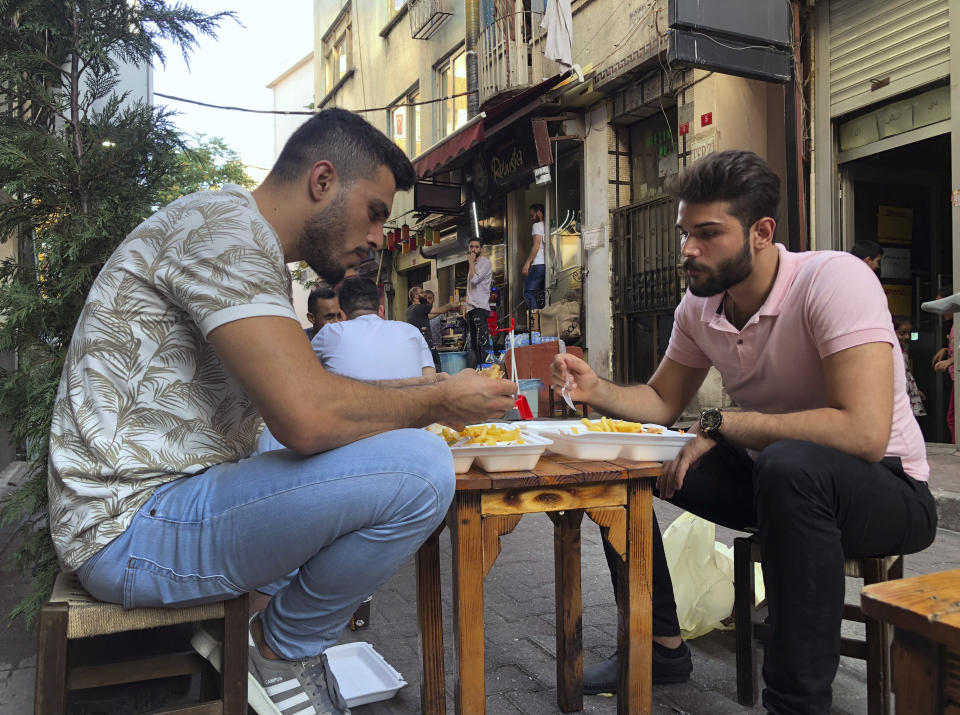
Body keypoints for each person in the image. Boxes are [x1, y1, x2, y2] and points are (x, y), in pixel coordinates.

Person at [48, 107, 518, 715]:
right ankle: (281, 651)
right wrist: (436, 399)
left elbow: (313, 397)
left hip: (156, 506)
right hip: (127, 529)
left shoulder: (236, 232)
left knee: (318, 442)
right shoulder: (227, 232)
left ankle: (268, 632)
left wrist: (441, 395)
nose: (379, 236)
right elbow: (309, 417)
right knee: (423, 470)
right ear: (322, 181)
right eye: (375, 212)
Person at [552, 150, 936, 714]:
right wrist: (597, 390)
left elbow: (865, 433)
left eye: (707, 234)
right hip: (778, 483)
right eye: (685, 233)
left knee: (789, 467)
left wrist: (724, 424)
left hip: (888, 490)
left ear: (761, 232)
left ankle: (795, 705)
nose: (688, 249)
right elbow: (660, 401)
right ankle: (660, 646)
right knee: (629, 459)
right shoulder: (698, 308)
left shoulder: (833, 280)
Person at [314, 276, 436, 380]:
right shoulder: (411, 331)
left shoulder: (330, 333)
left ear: (342, 314)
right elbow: (429, 377)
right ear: (381, 310)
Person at [923, 288, 956, 440]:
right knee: (952, 417)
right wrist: (946, 349)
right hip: (955, 378)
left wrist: (950, 360)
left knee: (953, 418)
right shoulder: (954, 325)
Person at [405, 286, 458, 372]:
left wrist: (439, 312)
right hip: (426, 347)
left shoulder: (410, 310)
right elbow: (441, 310)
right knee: (436, 372)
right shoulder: (420, 307)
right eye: (422, 293)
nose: (424, 295)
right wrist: (451, 304)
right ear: (416, 296)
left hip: (417, 348)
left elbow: (429, 316)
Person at [463, 238, 493, 367]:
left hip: (480, 306)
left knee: (482, 339)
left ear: (481, 249)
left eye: (476, 247)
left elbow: (474, 281)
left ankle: (485, 367)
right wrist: (465, 306)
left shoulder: (485, 263)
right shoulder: (473, 264)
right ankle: (476, 369)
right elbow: (469, 287)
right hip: (471, 306)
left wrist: (470, 263)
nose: (473, 249)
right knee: (473, 342)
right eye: (471, 247)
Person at [893, 315, 926, 417]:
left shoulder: (904, 349)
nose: (907, 337)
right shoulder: (890, 352)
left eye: (909, 333)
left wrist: (914, 390)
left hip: (907, 391)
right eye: (902, 333)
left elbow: (906, 373)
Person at [522, 203, 546, 311]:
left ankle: (535, 321)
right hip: (545, 264)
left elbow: (536, 245)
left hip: (538, 264)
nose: (531, 218)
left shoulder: (537, 226)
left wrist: (527, 263)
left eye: (532, 215)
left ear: (539, 212)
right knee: (541, 294)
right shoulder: (548, 225)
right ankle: (540, 320)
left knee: (527, 291)